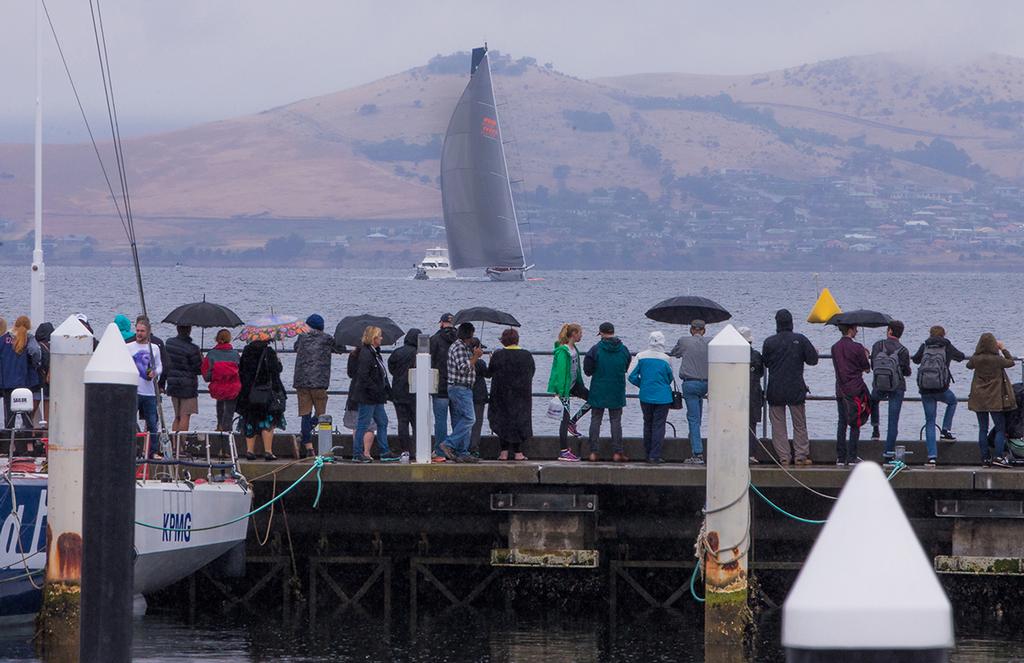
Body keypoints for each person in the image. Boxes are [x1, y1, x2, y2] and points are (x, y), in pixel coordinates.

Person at [762, 309, 819, 466]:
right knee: (799, 424)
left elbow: (765, 362)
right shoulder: (800, 340)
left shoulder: (769, 342)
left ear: (777, 324)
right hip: (796, 388)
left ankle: (784, 457)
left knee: (778, 426)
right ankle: (800, 456)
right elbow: (813, 360)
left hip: (775, 389)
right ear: (791, 323)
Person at [912, 325, 965, 466]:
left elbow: (916, 360)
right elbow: (961, 357)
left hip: (925, 390)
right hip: (941, 388)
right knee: (952, 402)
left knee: (930, 421)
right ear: (943, 335)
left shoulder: (925, 346)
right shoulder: (946, 345)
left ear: (930, 334)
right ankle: (946, 429)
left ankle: (932, 457)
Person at [293, 314, 343, 458]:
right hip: (319, 382)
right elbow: (340, 348)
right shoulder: (327, 339)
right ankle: (309, 440)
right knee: (321, 414)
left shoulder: (302, 337)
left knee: (305, 413)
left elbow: (296, 347)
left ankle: (308, 445)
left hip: (301, 381)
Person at [583, 321, 631, 462]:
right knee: (616, 421)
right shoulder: (624, 350)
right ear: (613, 332)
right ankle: (617, 452)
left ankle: (593, 452)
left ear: (601, 333)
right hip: (617, 389)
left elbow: (587, 370)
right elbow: (626, 366)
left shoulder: (595, 349)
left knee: (596, 419)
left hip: (598, 388)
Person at [967, 333, 1016, 468]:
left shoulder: (976, 359)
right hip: (995, 399)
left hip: (979, 399)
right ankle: (999, 456)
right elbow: (1011, 362)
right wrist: (1003, 349)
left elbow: (968, 365)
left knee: (982, 428)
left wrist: (977, 353)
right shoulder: (997, 359)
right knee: (1000, 428)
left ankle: (985, 458)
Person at [438, 323, 483, 463]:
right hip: (460, 388)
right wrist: (475, 357)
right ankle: (449, 443)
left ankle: (462, 452)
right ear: (469, 335)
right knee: (470, 419)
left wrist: (473, 354)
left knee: (460, 420)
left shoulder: (463, 347)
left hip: (463, 388)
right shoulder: (458, 348)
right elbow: (463, 368)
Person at [868, 320, 912, 461]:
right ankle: (888, 453)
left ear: (890, 331)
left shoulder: (877, 345)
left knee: (873, 399)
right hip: (897, 387)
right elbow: (906, 372)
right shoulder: (903, 350)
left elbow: (872, 365)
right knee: (893, 421)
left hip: (879, 384)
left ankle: (875, 428)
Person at [487, 328, 534, 461]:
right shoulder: (526, 355)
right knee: (518, 421)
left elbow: (490, 373)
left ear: (503, 341)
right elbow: (531, 372)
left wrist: (491, 360)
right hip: (521, 395)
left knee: (503, 421)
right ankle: (518, 452)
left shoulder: (498, 355)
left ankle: (504, 452)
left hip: (502, 394)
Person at [352, 326, 397, 463]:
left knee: (382, 421)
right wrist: (376, 389)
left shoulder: (375, 353)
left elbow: (382, 375)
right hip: (368, 396)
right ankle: (357, 453)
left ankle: (384, 451)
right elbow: (364, 376)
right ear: (373, 338)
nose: (381, 338)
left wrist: (387, 391)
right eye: (379, 336)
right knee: (363, 424)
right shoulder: (366, 354)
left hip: (377, 396)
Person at [236, 336, 285, 461]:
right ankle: (268, 451)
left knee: (250, 420)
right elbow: (276, 371)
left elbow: (240, 370)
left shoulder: (246, 351)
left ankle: (250, 451)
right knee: (267, 421)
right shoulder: (269, 352)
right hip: (266, 392)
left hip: (249, 393)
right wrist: (279, 363)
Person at [628, 331, 674, 464]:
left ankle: (647, 454)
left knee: (647, 423)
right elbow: (670, 377)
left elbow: (631, 375)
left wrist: (642, 384)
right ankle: (655, 455)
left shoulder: (640, 356)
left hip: (646, 395)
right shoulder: (666, 358)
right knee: (659, 425)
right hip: (663, 397)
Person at [547, 323, 591, 462]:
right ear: (573, 334)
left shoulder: (574, 349)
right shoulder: (562, 351)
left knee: (593, 399)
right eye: (580, 333)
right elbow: (560, 372)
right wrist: (560, 392)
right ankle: (564, 451)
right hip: (564, 388)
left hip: (574, 384)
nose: (581, 335)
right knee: (563, 420)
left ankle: (574, 422)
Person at [670, 319, 709, 464]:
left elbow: (675, 353)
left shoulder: (684, 341)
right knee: (698, 416)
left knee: (693, 418)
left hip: (690, 384)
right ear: (704, 330)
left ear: (691, 330)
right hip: (707, 383)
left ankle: (697, 453)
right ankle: (694, 440)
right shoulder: (711, 342)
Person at [831, 324, 871, 466]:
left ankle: (840, 457)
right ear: (850, 330)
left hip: (840, 389)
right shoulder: (857, 347)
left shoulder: (834, 347)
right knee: (855, 422)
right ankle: (852, 456)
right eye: (855, 329)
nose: (857, 331)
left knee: (842, 422)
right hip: (855, 389)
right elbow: (867, 369)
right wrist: (866, 355)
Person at [125, 316, 164, 457]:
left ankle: (152, 451)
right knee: (130, 421)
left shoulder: (154, 348)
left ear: (148, 332)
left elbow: (160, 366)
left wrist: (155, 372)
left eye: (142, 331)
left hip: (150, 392)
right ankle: (130, 449)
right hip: (134, 391)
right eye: (137, 330)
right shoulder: (128, 347)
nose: (139, 333)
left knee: (152, 423)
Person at [0, 316, 42, 429]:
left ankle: (9, 440)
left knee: (9, 415)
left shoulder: (3, 339)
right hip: (25, 382)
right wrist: (35, 364)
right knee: (26, 413)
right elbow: (35, 352)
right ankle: (27, 441)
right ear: (28, 326)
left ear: (15, 324)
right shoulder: (29, 339)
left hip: (7, 382)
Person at [388, 328, 421, 462]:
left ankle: (405, 450)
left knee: (402, 422)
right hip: (414, 392)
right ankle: (417, 449)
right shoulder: (419, 354)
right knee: (416, 422)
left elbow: (391, 367)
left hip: (398, 391)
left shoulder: (397, 352)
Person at [429, 313, 458, 461]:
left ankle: (440, 453)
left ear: (441, 323)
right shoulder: (459, 340)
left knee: (440, 421)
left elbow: (429, 362)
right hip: (457, 385)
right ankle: (456, 449)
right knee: (458, 420)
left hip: (439, 386)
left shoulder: (434, 339)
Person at [165, 325, 202, 433]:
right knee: (185, 416)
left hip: (173, 383)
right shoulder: (192, 348)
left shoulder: (169, 343)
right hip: (188, 386)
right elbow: (198, 369)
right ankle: (181, 445)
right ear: (189, 330)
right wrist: (201, 358)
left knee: (177, 416)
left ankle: (174, 445)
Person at [202, 329, 241, 433]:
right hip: (233, 388)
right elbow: (241, 371)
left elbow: (206, 377)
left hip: (218, 388)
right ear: (229, 339)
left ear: (217, 339)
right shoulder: (235, 354)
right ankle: (227, 431)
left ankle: (219, 426)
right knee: (229, 411)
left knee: (220, 404)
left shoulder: (211, 354)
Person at [738, 327, 764, 464]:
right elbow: (761, 373)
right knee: (752, 425)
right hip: (754, 392)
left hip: (737, 392)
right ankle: (751, 453)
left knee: (736, 424)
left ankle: (738, 451)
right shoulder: (756, 355)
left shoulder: (733, 355)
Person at [468, 338, 489, 457]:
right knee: (477, 423)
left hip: (466, 394)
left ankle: (463, 445)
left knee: (465, 421)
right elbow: (488, 374)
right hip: (479, 396)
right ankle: (474, 447)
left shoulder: (464, 360)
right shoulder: (480, 363)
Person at [33, 322, 53, 426]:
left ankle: (30, 435)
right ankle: (46, 436)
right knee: (47, 414)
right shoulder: (54, 348)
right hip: (49, 385)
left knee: (32, 411)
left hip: (37, 383)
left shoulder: (37, 347)